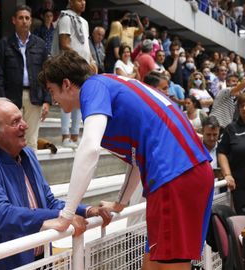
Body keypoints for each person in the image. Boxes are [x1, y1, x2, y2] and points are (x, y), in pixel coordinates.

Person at [38, 50, 214, 270]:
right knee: (151, 265)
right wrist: (120, 203)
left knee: (168, 266)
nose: (52, 99)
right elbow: (135, 159)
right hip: (185, 172)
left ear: (66, 84)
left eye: (51, 90)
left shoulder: (93, 88)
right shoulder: (110, 84)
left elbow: (89, 149)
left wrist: (66, 215)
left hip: (175, 175)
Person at [0, 98, 111, 269]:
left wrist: (87, 210)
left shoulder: (28, 154)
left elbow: (48, 201)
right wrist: (58, 217)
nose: (25, 125)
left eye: (21, 118)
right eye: (15, 122)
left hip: (40, 258)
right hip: (4, 263)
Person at [0, 5, 50, 150]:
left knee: (31, 142)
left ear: (31, 21)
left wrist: (47, 100)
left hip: (34, 97)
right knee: (11, 141)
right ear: (13, 20)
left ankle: (29, 173)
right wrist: (2, 101)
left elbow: (48, 74)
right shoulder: (4, 44)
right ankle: (13, 172)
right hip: (11, 99)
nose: (24, 21)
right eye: (20, 18)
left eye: (27, 18)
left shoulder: (40, 45)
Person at [51, 0, 96, 148]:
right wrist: (81, 60)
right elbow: (64, 44)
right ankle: (65, 136)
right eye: (79, 0)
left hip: (83, 66)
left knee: (80, 100)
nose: (83, 2)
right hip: (69, 64)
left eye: (84, 0)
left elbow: (85, 46)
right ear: (70, 1)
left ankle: (75, 137)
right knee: (67, 99)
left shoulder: (85, 22)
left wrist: (91, 61)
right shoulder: (65, 17)